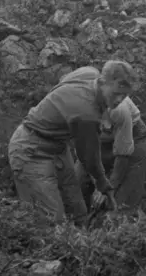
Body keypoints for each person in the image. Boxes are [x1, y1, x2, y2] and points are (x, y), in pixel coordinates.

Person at [7, 61, 137, 224]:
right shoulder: (86, 114)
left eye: (124, 95)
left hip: (58, 146)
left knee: (78, 210)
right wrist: (105, 187)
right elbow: (89, 158)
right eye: (116, 93)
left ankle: (81, 245)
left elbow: (63, 83)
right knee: (50, 218)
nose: (119, 100)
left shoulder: (89, 73)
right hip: (30, 150)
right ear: (103, 82)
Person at [97, 94, 146, 210]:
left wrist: (108, 189)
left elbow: (123, 156)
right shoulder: (74, 110)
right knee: (79, 184)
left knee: (124, 202)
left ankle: (123, 218)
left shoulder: (118, 108)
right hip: (102, 138)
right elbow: (85, 155)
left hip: (132, 135)